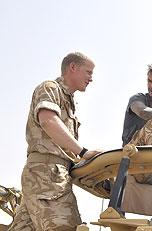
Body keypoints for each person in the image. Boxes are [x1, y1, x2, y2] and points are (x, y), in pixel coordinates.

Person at [9, 52, 101, 231]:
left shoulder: (68, 100)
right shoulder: (50, 88)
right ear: (73, 67)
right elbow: (48, 121)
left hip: (46, 177)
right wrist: (83, 152)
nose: (91, 78)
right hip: (47, 177)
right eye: (88, 72)